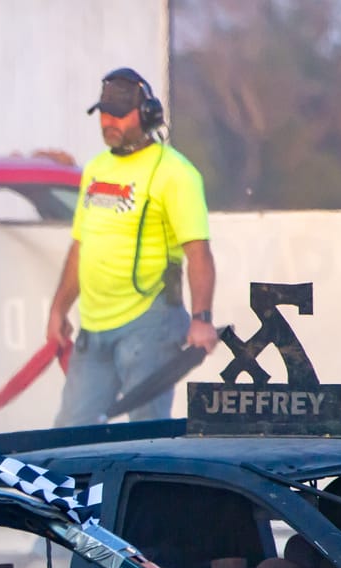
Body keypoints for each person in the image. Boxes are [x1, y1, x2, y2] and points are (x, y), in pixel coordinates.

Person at [47, 68, 219, 427]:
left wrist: (201, 319)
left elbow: (198, 253)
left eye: (119, 114)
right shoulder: (95, 168)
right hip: (94, 327)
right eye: (104, 113)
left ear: (147, 115)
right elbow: (80, 247)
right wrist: (58, 310)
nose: (109, 122)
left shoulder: (175, 173)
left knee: (145, 433)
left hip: (151, 326)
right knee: (70, 433)